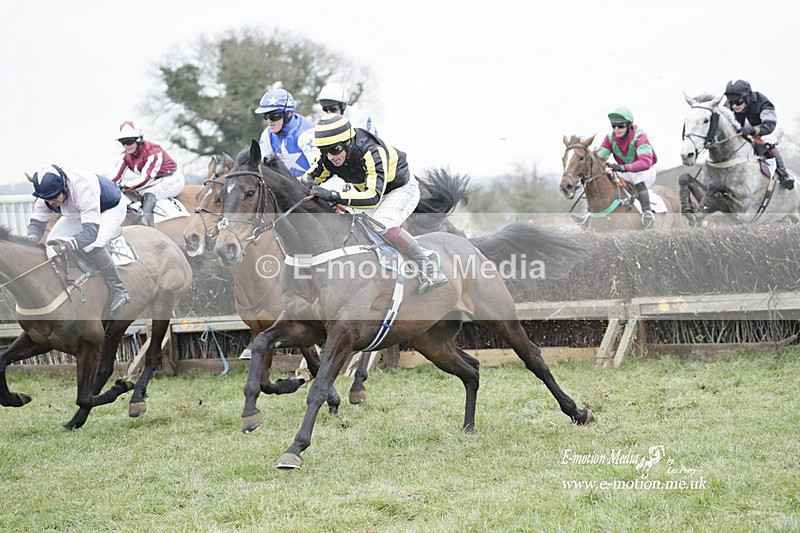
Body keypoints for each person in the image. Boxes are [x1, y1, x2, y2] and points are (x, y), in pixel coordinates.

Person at [302, 113, 447, 293]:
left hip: (399, 190)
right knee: (353, 227)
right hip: (369, 191)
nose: (331, 157)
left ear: (348, 142)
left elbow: (373, 198)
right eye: (325, 151)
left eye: (335, 149)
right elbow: (307, 179)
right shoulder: (328, 157)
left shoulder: (370, 151)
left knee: (382, 225)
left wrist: (332, 195)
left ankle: (429, 267)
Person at [27, 164, 132, 316]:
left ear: (64, 188)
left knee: (92, 245)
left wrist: (65, 247)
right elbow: (36, 224)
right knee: (52, 241)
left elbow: (90, 234)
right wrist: (31, 240)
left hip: (109, 208)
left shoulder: (83, 188)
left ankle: (120, 290)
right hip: (78, 211)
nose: (51, 203)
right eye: (46, 199)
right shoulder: (47, 196)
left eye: (54, 198)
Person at [110, 120, 186, 227]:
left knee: (149, 193)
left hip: (172, 179)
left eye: (129, 141)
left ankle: (144, 223)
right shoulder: (125, 156)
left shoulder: (153, 152)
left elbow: (144, 179)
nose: (126, 146)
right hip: (154, 180)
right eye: (123, 142)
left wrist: (124, 185)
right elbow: (114, 177)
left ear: (139, 139)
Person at [724, 79, 795, 190]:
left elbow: (769, 124)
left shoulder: (762, 101)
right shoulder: (727, 106)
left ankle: (783, 173)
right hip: (739, 135)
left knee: (768, 140)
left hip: (763, 132)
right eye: (731, 102)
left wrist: (754, 130)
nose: (734, 106)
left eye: (738, 102)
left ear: (747, 97)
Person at [596, 107, 658, 229]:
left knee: (637, 175)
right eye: (614, 126)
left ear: (629, 125)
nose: (616, 129)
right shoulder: (610, 138)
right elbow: (599, 158)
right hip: (625, 171)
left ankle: (647, 212)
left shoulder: (640, 136)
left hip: (646, 171)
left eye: (620, 126)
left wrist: (622, 167)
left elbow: (645, 162)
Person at [255, 88, 318, 178]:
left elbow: (318, 170)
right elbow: (263, 167)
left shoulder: (306, 134)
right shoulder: (267, 134)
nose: (269, 121)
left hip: (314, 185)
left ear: (288, 113)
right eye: (265, 116)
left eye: (274, 115)